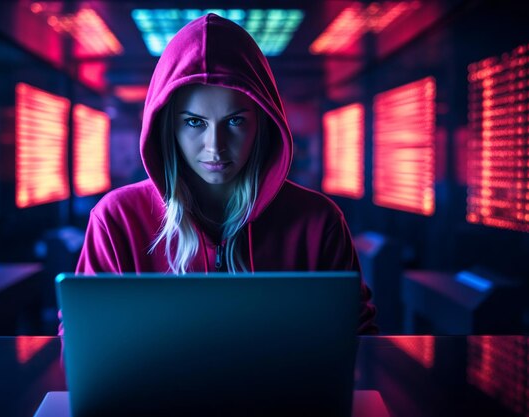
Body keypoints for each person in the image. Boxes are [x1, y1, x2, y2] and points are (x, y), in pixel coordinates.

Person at [73, 14, 377, 334]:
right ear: (168, 127)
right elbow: (84, 338)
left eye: (235, 121)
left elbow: (357, 339)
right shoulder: (117, 219)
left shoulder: (318, 221)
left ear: (263, 123)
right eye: (194, 122)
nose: (214, 148)